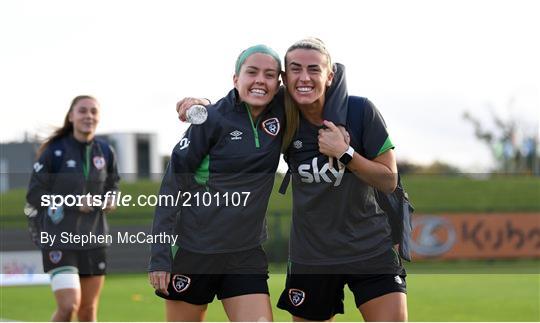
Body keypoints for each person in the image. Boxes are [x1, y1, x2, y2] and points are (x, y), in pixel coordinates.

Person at [150, 44, 347, 322]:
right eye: (251, 72)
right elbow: (171, 188)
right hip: (193, 252)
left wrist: (339, 123)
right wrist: (159, 256)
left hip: (245, 255)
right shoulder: (210, 119)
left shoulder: (283, 108)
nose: (259, 81)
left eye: (269, 75)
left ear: (278, 83)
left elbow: (337, 71)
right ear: (235, 79)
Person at [275, 38, 408, 322]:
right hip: (312, 257)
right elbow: (237, 111)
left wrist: (345, 153)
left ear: (330, 75)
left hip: (370, 248)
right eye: (295, 70)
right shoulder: (281, 118)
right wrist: (203, 105)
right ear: (285, 77)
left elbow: (389, 181)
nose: (304, 77)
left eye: (314, 69)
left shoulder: (360, 111)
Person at [26, 95, 120, 322]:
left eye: (93, 111)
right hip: (59, 239)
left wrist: (112, 198)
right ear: (71, 116)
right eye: (82, 111)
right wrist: (73, 202)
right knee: (69, 306)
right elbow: (35, 195)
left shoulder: (106, 152)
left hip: (95, 239)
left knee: (88, 312)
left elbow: (113, 185)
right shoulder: (54, 152)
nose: (89, 116)